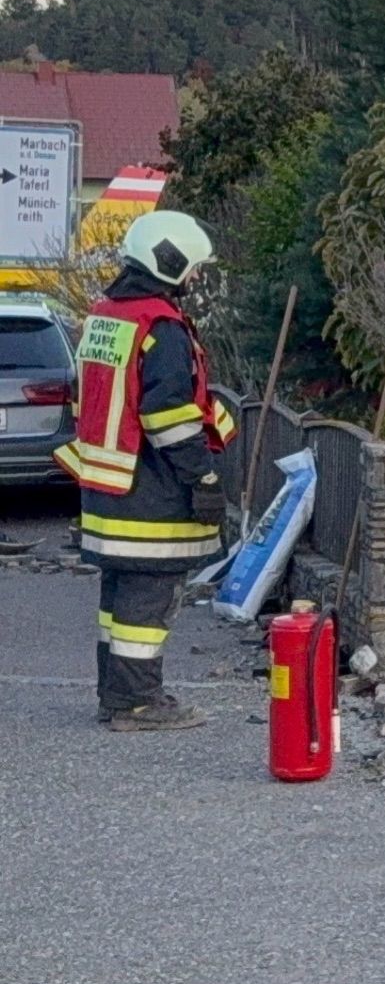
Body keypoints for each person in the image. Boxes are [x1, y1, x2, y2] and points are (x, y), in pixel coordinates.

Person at [55, 211, 236, 731]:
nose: (195, 278)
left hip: (107, 486)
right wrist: (202, 476)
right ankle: (138, 705)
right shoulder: (162, 328)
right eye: (193, 267)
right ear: (170, 260)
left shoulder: (106, 317)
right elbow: (166, 415)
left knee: (120, 600)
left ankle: (116, 696)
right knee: (149, 598)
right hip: (150, 490)